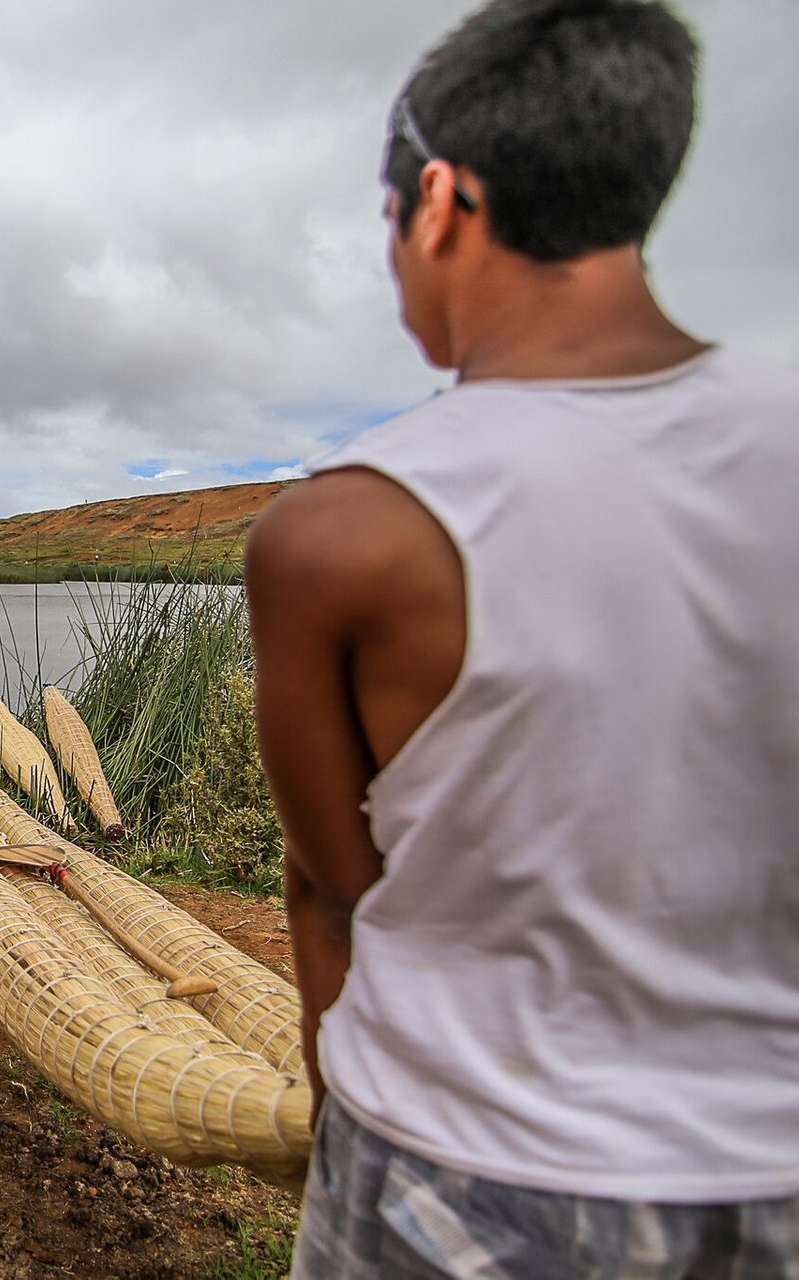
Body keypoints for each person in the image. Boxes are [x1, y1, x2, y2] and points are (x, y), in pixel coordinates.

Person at [244, 2, 799, 1273]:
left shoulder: (345, 529)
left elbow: (335, 887)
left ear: (435, 201)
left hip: (467, 1169)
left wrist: (338, 1129)